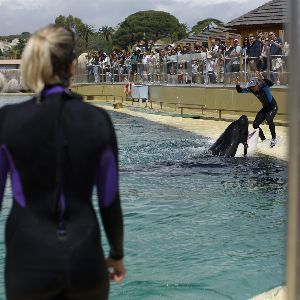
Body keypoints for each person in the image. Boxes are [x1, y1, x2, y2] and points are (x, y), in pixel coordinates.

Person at [0, 24, 125, 300]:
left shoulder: (8, 121)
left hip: (29, 262)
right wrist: (116, 254)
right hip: (86, 261)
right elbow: (109, 199)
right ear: (71, 67)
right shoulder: (98, 121)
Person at [235, 72, 278, 147]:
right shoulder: (251, 90)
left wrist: (263, 78)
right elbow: (239, 90)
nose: (252, 88)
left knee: (269, 119)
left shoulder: (264, 86)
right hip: (265, 108)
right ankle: (263, 139)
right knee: (255, 124)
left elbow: (271, 83)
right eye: (251, 87)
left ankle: (274, 138)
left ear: (258, 84)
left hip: (272, 107)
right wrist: (237, 84)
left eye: (253, 86)